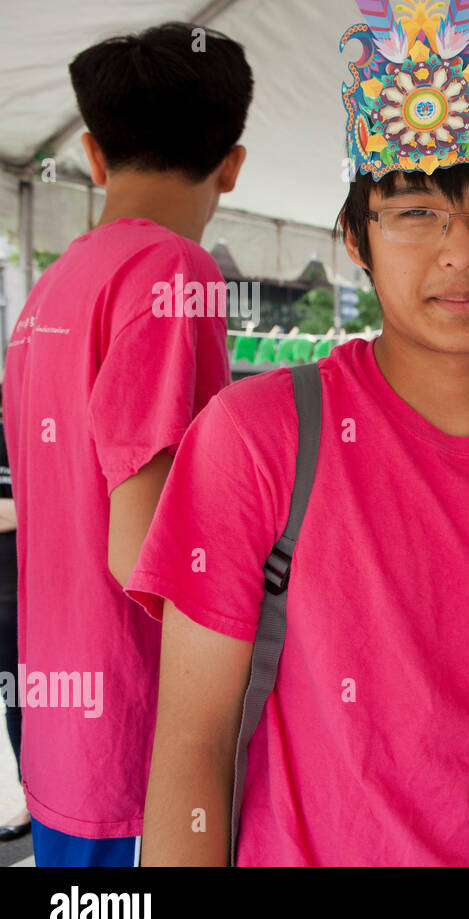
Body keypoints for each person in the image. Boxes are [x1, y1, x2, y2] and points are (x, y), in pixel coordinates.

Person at [129, 6, 469, 866]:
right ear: (356, 241)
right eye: (414, 212)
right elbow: (192, 745)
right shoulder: (259, 439)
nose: (459, 252)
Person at [1, 23, 251, 867]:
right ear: (233, 164)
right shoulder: (175, 271)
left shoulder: (51, 291)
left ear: (93, 155)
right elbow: (141, 545)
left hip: (66, 733)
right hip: (147, 742)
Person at [0, 404, 25, 842]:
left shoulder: (15, 429)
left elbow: (29, 509)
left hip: (18, 598)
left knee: (22, 699)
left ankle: (32, 799)